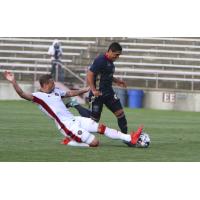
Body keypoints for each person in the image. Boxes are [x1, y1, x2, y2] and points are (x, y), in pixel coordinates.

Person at [4, 71, 143, 147]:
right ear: (46, 84)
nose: (54, 83)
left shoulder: (56, 91)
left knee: (101, 128)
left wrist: (86, 89)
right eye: (52, 82)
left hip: (74, 119)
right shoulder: (38, 96)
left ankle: (130, 138)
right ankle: (70, 141)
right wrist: (13, 81)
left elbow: (70, 93)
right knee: (95, 143)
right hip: (66, 126)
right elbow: (22, 94)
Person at [87, 42, 128, 134]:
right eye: (116, 55)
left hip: (109, 93)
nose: (117, 57)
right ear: (109, 51)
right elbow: (90, 74)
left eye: (119, 55)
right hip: (98, 94)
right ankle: (82, 137)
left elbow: (106, 75)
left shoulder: (110, 62)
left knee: (120, 113)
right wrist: (93, 90)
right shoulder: (100, 60)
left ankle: (127, 138)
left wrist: (117, 81)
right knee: (93, 120)